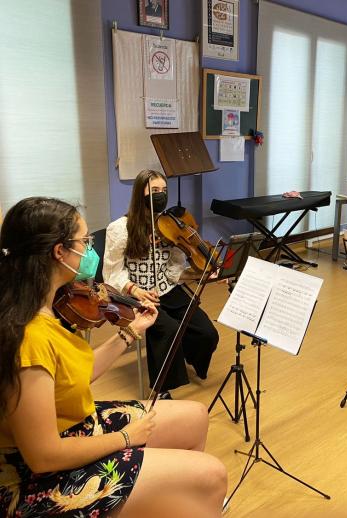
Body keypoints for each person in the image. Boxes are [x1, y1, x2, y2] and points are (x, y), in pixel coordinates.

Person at [0, 197, 227, 517]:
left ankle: (173, 501)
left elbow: (73, 378)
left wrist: (130, 331)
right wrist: (124, 438)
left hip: (74, 427)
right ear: (59, 252)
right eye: (85, 241)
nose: (90, 248)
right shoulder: (29, 336)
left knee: (195, 416)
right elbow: (43, 456)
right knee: (210, 475)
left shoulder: (47, 306)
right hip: (35, 480)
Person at [103, 170, 220, 396]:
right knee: (167, 329)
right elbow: (112, 271)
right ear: (141, 194)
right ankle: (163, 388)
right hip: (134, 294)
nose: (161, 195)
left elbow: (175, 263)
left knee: (206, 333)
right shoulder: (120, 229)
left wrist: (195, 273)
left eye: (164, 191)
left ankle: (190, 355)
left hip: (166, 289)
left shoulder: (170, 225)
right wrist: (135, 290)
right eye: (154, 191)